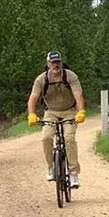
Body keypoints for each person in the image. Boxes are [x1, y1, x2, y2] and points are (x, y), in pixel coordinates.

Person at [27, 51, 86, 188]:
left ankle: (73, 173)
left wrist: (81, 111)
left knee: (69, 139)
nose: (56, 65)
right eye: (53, 62)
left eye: (58, 62)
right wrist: (32, 114)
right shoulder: (41, 79)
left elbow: (78, 95)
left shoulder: (70, 76)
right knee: (46, 137)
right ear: (48, 64)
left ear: (61, 63)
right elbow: (33, 98)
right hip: (51, 113)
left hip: (69, 112)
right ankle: (51, 167)